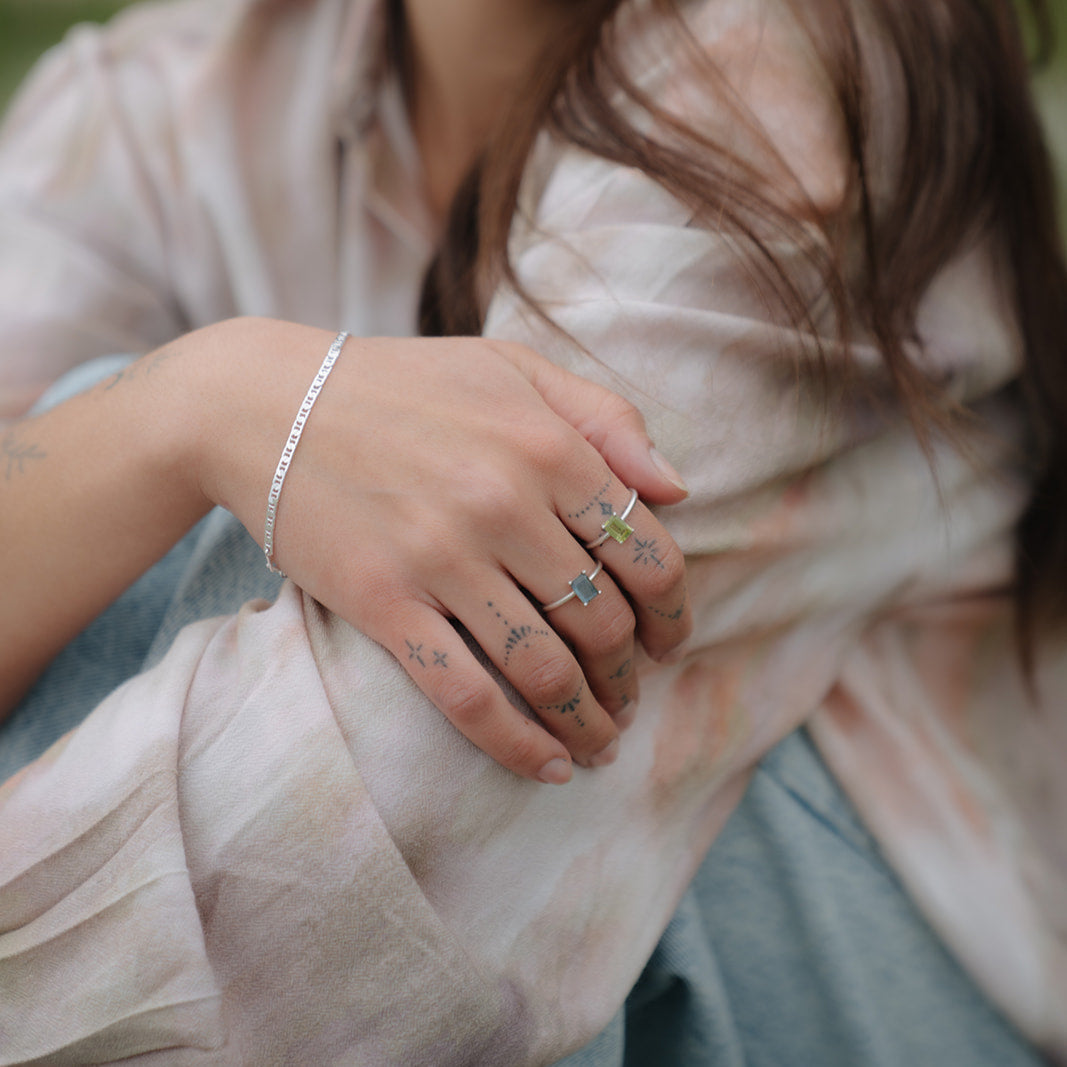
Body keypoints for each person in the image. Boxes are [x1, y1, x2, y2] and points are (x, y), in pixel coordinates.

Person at [0, 0, 1065, 1063]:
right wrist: (192, 404)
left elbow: (343, 864)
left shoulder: (800, 54)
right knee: (118, 448)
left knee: (483, 649)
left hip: (867, 979)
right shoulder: (158, 101)